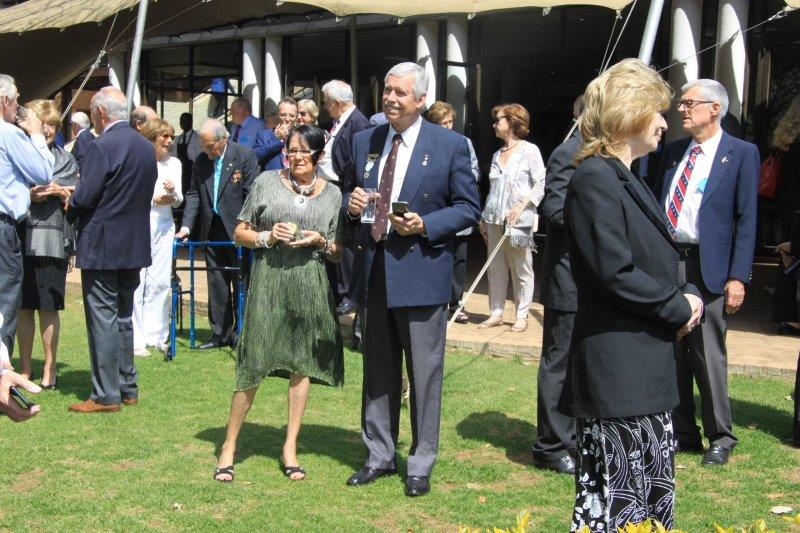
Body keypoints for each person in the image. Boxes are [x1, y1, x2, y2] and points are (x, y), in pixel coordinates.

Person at [562, 58, 703, 531]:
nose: (665, 122)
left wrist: (687, 293)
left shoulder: (628, 177)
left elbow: (655, 258)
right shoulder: (594, 177)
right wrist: (677, 306)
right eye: (657, 111)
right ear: (630, 112)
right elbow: (614, 272)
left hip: (643, 370)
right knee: (620, 510)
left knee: (648, 507)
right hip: (618, 374)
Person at [344, 62, 481, 497]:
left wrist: (425, 224)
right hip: (375, 272)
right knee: (377, 371)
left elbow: (468, 207)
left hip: (421, 274)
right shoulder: (366, 140)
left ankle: (420, 463)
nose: (390, 98)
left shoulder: (450, 144)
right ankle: (379, 455)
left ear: (421, 100)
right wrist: (353, 204)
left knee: (424, 375)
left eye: (400, 93)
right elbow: (354, 196)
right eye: (387, 90)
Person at [213, 125, 345, 483]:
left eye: (304, 151)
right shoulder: (266, 182)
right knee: (253, 362)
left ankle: (290, 448)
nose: (297, 157)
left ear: (319, 155)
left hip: (310, 286)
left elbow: (337, 251)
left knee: (302, 364)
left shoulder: (333, 194)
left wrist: (319, 241)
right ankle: (229, 446)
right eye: (291, 150)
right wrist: (267, 236)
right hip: (269, 283)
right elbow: (239, 232)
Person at [654, 79, 759, 466]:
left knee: (707, 352)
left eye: (689, 103)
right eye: (681, 103)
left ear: (715, 108)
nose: (681, 109)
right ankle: (682, 432)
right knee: (673, 348)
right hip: (671, 260)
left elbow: (746, 219)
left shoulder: (741, 153)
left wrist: (738, 276)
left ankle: (720, 436)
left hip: (709, 265)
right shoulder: (673, 152)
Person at [66, 86, 158, 413]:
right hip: (133, 244)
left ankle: (106, 394)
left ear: (101, 113)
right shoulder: (145, 147)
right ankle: (126, 387)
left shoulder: (102, 146)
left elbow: (85, 196)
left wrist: (69, 203)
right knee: (122, 316)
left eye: (93, 113)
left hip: (103, 243)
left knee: (103, 318)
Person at [176, 119, 260, 349]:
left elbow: (252, 194)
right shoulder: (202, 160)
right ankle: (219, 334)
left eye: (210, 145)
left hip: (238, 229)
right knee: (216, 282)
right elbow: (194, 194)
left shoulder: (244, 155)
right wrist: (186, 227)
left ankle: (242, 333)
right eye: (203, 145)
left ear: (223, 140)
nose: (206, 150)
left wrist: (246, 226)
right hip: (211, 228)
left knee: (242, 281)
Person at [532, 117, 582, 475]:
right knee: (559, 361)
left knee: (580, 362)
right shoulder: (568, 152)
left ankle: (573, 437)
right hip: (567, 279)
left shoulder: (608, 152)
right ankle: (551, 445)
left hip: (592, 282)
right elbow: (554, 208)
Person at [15, 99, 78, 388]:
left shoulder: (65, 159)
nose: (48, 130)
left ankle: (50, 368)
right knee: (24, 306)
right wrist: (30, 194)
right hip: (21, 236)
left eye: (53, 125)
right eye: (43, 124)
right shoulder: (17, 153)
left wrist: (61, 192)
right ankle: (25, 368)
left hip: (53, 240)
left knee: (49, 306)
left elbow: (75, 197)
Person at [0, 73, 54, 361]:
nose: (18, 105)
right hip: (3, 227)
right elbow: (43, 173)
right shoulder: (9, 134)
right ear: (4, 101)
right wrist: (35, 133)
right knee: (5, 301)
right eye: (16, 99)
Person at [478, 103, 545, 333]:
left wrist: (523, 205)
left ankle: (521, 315)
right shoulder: (497, 155)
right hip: (494, 219)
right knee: (495, 267)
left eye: (498, 120)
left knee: (521, 268)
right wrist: (483, 217)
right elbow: (493, 190)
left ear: (513, 122)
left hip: (518, 221)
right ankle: (496, 313)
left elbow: (540, 184)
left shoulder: (530, 151)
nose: (494, 125)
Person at [318, 80, 372, 316]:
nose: (324, 106)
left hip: (345, 189)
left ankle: (349, 294)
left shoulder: (359, 123)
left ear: (337, 102)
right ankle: (338, 291)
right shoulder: (338, 122)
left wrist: (350, 191)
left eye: (326, 102)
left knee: (346, 241)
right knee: (333, 238)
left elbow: (358, 162)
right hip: (330, 188)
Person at [132, 118, 183, 357]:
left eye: (171, 136)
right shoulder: (138, 160)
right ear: (152, 137)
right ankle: (136, 337)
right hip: (141, 222)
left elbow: (179, 199)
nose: (169, 141)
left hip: (164, 225)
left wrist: (173, 193)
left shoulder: (174, 163)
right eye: (164, 136)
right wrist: (153, 199)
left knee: (160, 280)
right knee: (138, 280)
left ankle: (157, 334)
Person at [426, 100, 480, 323]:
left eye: (450, 122)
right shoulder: (426, 142)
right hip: (435, 212)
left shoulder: (463, 142)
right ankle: (435, 302)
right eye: (443, 123)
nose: (448, 126)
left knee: (459, 259)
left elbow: (474, 170)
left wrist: (456, 181)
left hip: (457, 210)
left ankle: (456, 304)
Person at [770, 95, 800, 335]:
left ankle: (786, 316)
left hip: (787, 205)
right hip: (796, 208)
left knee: (787, 259)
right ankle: (792, 317)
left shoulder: (788, 141)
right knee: (793, 255)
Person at [253, 97, 299, 171]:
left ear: (296, 117)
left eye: (292, 116)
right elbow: (255, 158)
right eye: (283, 115)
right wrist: (276, 139)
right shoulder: (264, 135)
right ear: (277, 115)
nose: (287, 119)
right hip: (273, 176)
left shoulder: (301, 135)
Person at [171, 112, 202, 205]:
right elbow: (174, 156)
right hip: (180, 171)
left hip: (192, 172)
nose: (182, 123)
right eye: (181, 120)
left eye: (185, 120)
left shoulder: (197, 138)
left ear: (191, 122)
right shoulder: (177, 139)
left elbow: (199, 157)